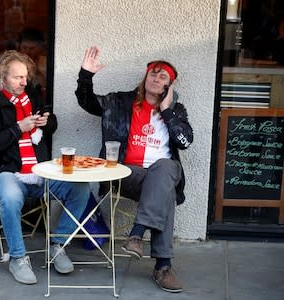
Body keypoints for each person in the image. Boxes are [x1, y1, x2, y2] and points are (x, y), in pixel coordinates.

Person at [75, 46, 193, 293]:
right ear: (145, 77)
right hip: (125, 173)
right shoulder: (119, 102)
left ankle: (138, 235)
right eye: (153, 73)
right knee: (164, 185)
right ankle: (162, 266)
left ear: (169, 87)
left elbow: (185, 142)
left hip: (159, 177)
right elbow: (87, 102)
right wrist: (86, 74)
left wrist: (167, 112)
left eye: (163, 77)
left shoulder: (176, 112)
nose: (156, 78)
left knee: (165, 172)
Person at [0, 50, 90, 284]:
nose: (24, 82)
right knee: (9, 197)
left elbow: (51, 124)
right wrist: (18, 128)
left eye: (25, 77)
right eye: (18, 77)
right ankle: (17, 257)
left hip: (41, 171)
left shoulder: (33, 97)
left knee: (81, 188)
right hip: (8, 171)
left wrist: (47, 122)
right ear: (2, 77)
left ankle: (57, 245)